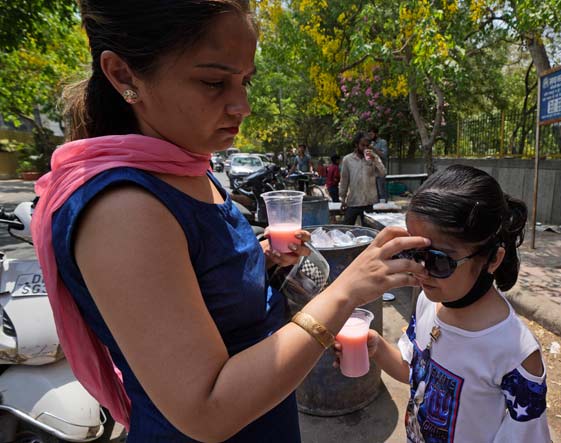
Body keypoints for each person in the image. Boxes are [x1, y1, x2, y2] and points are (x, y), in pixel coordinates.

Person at [33, 2, 429, 441]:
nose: (242, 105)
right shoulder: (123, 209)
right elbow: (208, 410)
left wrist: (261, 261)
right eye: (213, 82)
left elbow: (201, 283)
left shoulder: (189, 167)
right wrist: (345, 292)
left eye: (245, 81)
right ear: (125, 76)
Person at [335, 165, 551, 443]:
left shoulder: (515, 353)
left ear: (493, 260)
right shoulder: (428, 301)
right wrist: (376, 346)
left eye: (438, 260)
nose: (420, 269)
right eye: (414, 252)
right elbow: (414, 371)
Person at [339, 131, 386, 226]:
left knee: (368, 231)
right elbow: (344, 180)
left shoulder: (373, 158)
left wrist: (375, 160)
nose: (365, 148)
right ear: (356, 144)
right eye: (362, 145)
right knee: (346, 228)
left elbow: (383, 173)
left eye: (367, 146)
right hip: (353, 201)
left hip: (368, 202)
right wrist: (342, 199)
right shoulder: (347, 160)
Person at [368, 127, 388, 203]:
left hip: (380, 171)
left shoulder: (382, 142)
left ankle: (384, 208)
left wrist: (373, 149)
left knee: (381, 191)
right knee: (374, 193)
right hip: (371, 171)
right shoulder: (369, 143)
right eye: (369, 134)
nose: (370, 136)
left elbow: (384, 155)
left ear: (376, 134)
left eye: (371, 134)